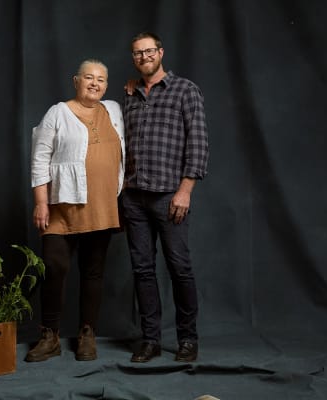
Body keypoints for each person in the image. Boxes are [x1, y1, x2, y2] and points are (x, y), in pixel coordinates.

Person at [27, 59, 125, 362]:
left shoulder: (114, 110)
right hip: (63, 206)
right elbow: (40, 157)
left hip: (103, 204)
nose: (94, 83)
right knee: (55, 268)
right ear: (76, 80)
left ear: (106, 85)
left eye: (101, 79)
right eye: (88, 78)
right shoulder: (58, 112)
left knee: (93, 272)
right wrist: (41, 202)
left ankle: (87, 334)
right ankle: (50, 335)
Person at [121, 32, 209, 363]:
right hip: (134, 198)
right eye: (137, 54)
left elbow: (198, 144)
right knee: (142, 270)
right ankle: (150, 339)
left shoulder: (185, 90)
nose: (143, 57)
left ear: (161, 52)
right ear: (134, 59)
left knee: (179, 267)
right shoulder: (129, 94)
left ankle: (188, 339)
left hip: (169, 197)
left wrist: (185, 190)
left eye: (148, 51)